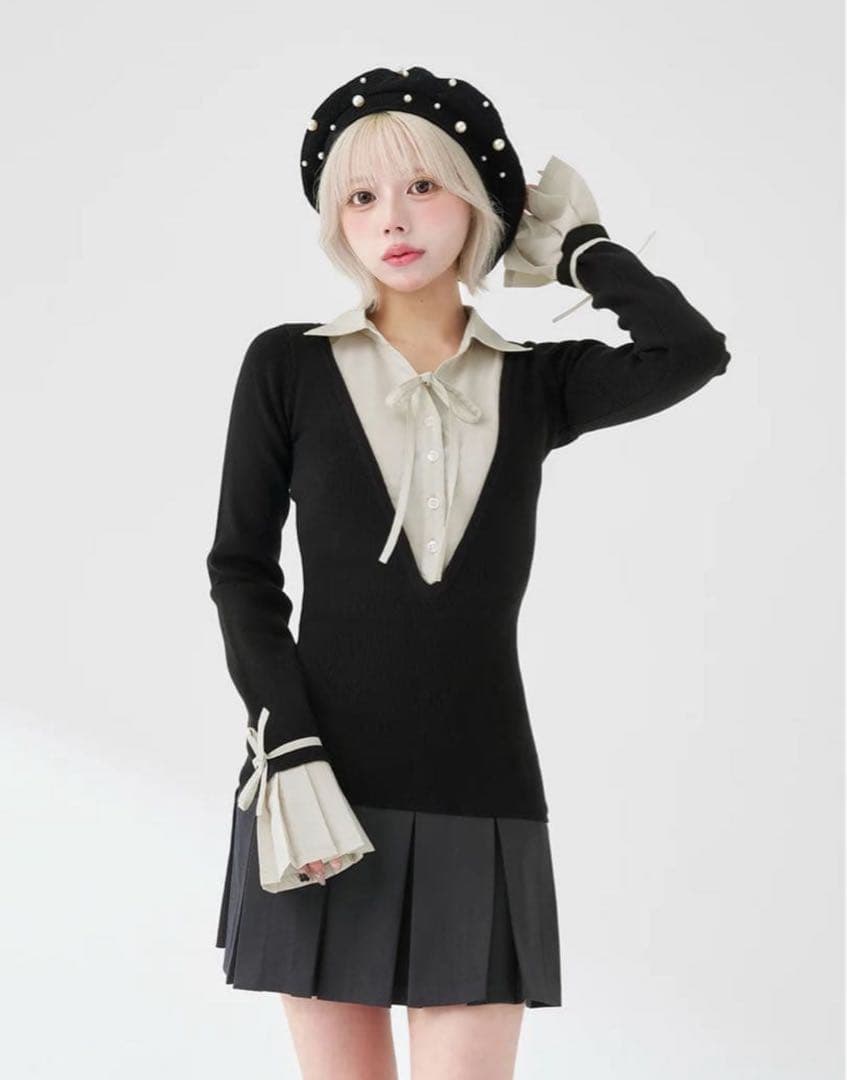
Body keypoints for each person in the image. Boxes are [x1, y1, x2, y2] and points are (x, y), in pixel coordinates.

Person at [205, 65, 731, 1080]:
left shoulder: (537, 383)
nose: (392, 220)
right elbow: (240, 570)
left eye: (422, 186)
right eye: (360, 197)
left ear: (479, 200)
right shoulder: (287, 365)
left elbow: (690, 352)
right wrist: (288, 745)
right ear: (335, 220)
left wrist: (581, 251)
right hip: (317, 788)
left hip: (482, 784)